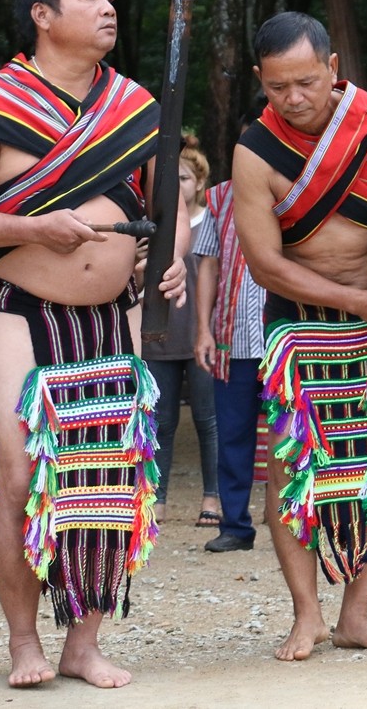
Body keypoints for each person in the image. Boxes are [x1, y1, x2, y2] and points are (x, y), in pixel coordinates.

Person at [0, 0, 186, 689]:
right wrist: (39, 229)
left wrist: (170, 254)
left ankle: (82, 641)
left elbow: (164, 208)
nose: (109, 7)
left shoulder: (136, 106)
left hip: (113, 314)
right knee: (22, 475)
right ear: (42, 15)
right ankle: (22, 642)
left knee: (104, 475)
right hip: (18, 310)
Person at [232, 11, 367, 658]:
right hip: (299, 323)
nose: (293, 98)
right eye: (277, 87)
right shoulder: (255, 150)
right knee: (291, 469)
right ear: (260, 83)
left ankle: (357, 613)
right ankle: (307, 614)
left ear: (333, 68)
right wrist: (359, 301)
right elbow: (266, 264)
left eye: (305, 82)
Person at [195, 110, 270, 553]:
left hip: (288, 338)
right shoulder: (220, 198)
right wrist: (202, 328)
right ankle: (236, 526)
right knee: (234, 432)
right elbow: (207, 263)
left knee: (299, 431)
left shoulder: (300, 191)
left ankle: (303, 522)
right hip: (233, 340)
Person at [144, 142, 221, 528]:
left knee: (209, 419)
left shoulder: (212, 221)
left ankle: (213, 496)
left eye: (184, 178)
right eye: (171, 179)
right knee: (162, 419)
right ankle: (157, 498)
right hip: (162, 335)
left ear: (200, 181)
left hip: (203, 335)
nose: (177, 184)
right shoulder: (157, 224)